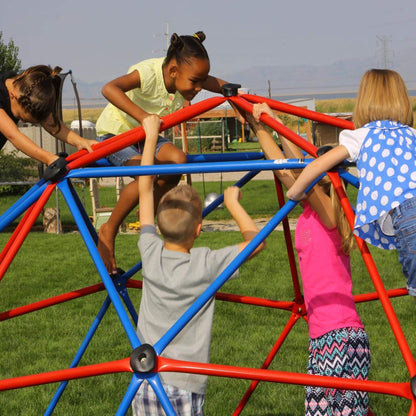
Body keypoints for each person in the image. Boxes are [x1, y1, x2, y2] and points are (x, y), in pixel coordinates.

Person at [131, 115, 265, 416]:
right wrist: (234, 205)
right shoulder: (206, 263)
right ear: (198, 229)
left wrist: (151, 137)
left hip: (144, 380)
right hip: (185, 382)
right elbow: (257, 243)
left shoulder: (149, 250)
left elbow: (144, 191)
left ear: (159, 227)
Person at [248, 103, 371, 415]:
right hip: (326, 336)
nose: (303, 170)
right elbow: (285, 164)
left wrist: (272, 121)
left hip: (339, 337)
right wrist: (260, 125)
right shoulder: (310, 207)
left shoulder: (330, 214)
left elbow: (292, 166)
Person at [96, 31, 229, 275]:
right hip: (117, 135)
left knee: (178, 160)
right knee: (147, 176)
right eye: (195, 81)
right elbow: (109, 88)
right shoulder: (148, 74)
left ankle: (149, 205)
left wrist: (235, 94)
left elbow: (218, 84)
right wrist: (144, 118)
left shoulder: (184, 78)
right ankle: (110, 228)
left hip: (147, 136)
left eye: (202, 81)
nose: (200, 88)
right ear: (173, 71)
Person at [286, 68, 416, 297]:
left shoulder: (361, 136)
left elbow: (316, 166)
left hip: (408, 216)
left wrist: (295, 192)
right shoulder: (411, 134)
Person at [0, 65, 95, 166]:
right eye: (22, 117)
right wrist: (50, 159)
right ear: (13, 95)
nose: (22, 121)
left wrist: (81, 142)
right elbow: (13, 135)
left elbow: (51, 124)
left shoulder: (25, 87)